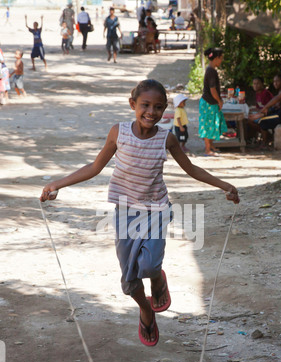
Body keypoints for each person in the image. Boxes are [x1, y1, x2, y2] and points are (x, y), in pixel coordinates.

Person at [40, 79, 239, 347]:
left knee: (149, 265)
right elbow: (95, 167)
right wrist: (57, 184)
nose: (151, 112)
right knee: (130, 280)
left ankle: (158, 281)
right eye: (145, 105)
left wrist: (225, 186)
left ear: (164, 110)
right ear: (133, 104)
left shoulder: (165, 138)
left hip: (156, 210)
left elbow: (192, 169)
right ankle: (145, 309)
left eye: (158, 107)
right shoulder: (118, 133)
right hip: (125, 214)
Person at [198, 47, 227, 156]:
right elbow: (212, 89)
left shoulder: (211, 70)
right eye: (221, 58)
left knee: (212, 124)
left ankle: (211, 145)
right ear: (216, 58)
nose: (221, 60)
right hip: (208, 102)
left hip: (210, 102)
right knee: (208, 125)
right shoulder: (211, 71)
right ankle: (207, 149)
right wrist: (219, 100)